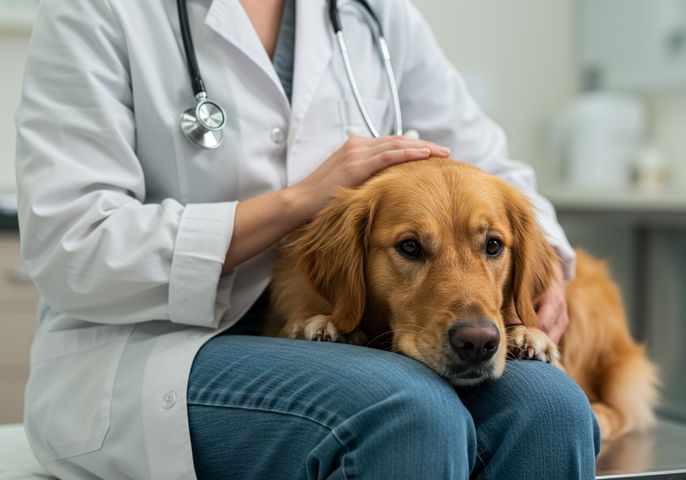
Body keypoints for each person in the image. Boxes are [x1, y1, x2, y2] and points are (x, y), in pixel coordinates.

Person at [15, 0, 600, 478]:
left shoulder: (373, 12)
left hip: (331, 334)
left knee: (550, 409)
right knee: (407, 410)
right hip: (154, 348)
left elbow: (495, 168)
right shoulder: (97, 11)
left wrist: (545, 276)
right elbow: (73, 244)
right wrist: (297, 202)